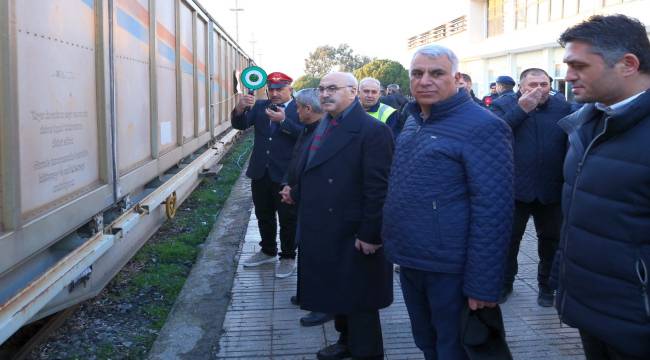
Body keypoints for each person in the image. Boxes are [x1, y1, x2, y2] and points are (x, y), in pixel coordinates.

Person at [382, 44, 514, 360]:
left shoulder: (483, 126)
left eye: (436, 73)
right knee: (427, 343)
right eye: (417, 73)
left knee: (453, 349)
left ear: (456, 78)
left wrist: (483, 284)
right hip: (412, 260)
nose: (425, 80)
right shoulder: (413, 120)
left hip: (451, 268)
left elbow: (493, 210)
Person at [551, 14, 650, 359]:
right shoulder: (582, 126)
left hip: (636, 323)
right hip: (588, 309)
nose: (567, 76)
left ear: (628, 64)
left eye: (579, 65)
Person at [293, 72, 394, 360]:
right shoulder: (327, 122)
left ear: (353, 92)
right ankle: (346, 343)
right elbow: (315, 167)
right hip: (326, 227)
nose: (325, 94)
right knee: (338, 293)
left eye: (333, 88)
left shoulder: (373, 131)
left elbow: (379, 189)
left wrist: (370, 234)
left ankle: (366, 353)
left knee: (360, 300)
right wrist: (297, 190)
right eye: (322, 88)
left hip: (353, 230)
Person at [490, 68, 572, 307]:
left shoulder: (562, 107)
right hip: (513, 189)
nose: (539, 90)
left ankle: (547, 287)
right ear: (520, 87)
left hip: (551, 188)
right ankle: (504, 284)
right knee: (508, 240)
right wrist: (521, 110)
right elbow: (492, 133)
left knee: (551, 241)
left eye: (544, 84)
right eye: (532, 84)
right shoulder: (503, 105)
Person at [231, 72, 303, 278]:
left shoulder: (301, 108)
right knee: (264, 214)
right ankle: (268, 250)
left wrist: (283, 121)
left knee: (288, 218)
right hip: (261, 171)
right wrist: (239, 107)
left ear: (290, 88)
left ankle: (288, 256)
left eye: (280, 89)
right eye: (271, 89)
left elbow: (306, 135)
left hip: (286, 175)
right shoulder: (261, 107)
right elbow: (240, 125)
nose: (275, 93)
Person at [279, 88, 333, 328]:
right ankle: (306, 295)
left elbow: (318, 173)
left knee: (319, 256)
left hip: (318, 205)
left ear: (308, 110)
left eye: (299, 108)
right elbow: (296, 160)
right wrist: (286, 185)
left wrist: (295, 191)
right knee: (306, 251)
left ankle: (323, 305)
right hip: (301, 197)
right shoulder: (310, 129)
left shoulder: (324, 133)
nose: (296, 111)